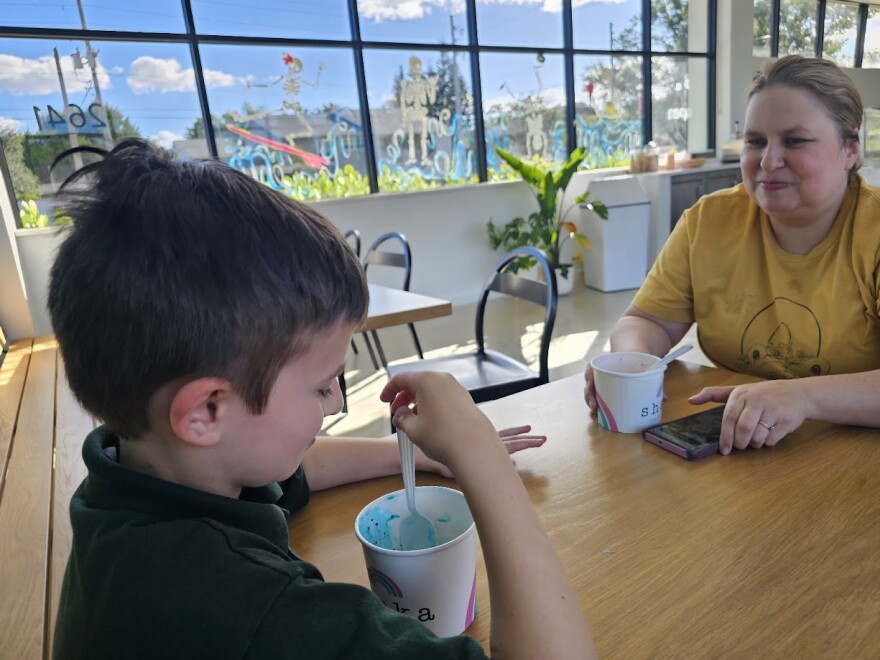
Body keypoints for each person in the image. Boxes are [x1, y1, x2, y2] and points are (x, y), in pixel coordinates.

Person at [49, 139, 596, 659]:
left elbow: (295, 465)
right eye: (321, 384)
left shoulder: (136, 477)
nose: (337, 402)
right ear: (206, 411)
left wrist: (407, 454)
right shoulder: (257, 610)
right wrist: (482, 458)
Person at [584, 55, 880, 456]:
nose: (768, 161)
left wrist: (803, 397)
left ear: (850, 150)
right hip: (734, 452)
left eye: (794, 141)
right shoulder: (709, 221)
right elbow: (648, 319)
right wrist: (632, 362)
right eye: (755, 141)